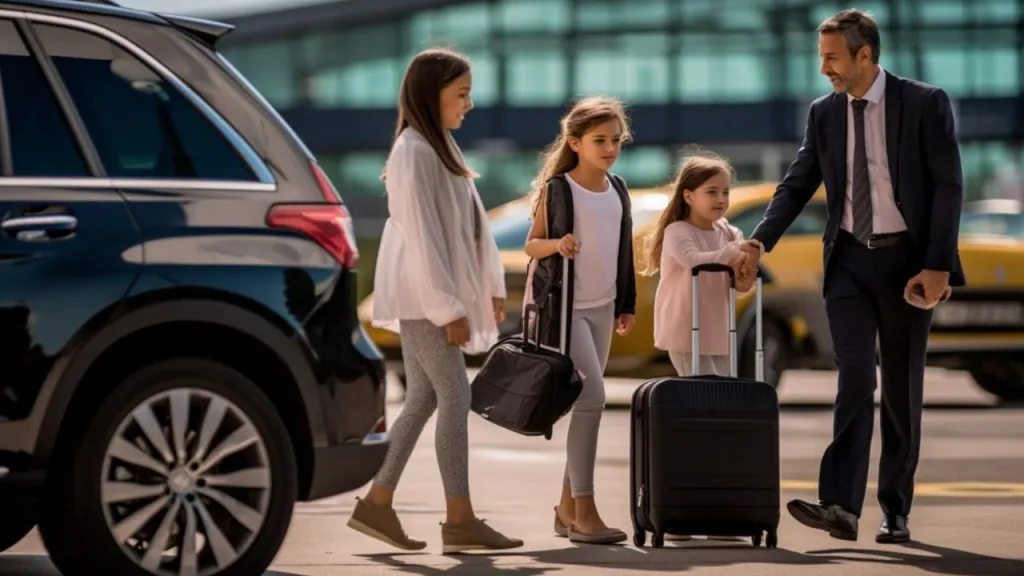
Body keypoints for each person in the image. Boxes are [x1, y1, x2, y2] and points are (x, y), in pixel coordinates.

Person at [743, 9, 965, 544]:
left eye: (831, 57)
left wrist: (936, 265)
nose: (824, 69)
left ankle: (896, 508)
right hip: (847, 262)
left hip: (907, 265)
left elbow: (948, 186)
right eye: (822, 57)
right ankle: (840, 504)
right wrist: (758, 241)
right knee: (855, 377)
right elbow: (796, 184)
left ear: (865, 55)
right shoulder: (824, 114)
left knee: (900, 388)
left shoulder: (923, 103)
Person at [347, 47, 523, 555]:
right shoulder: (415, 151)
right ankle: (459, 518)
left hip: (429, 296)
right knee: (456, 396)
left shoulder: (438, 145)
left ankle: (377, 504)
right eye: (461, 94)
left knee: (425, 397)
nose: (469, 104)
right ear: (432, 94)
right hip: (424, 299)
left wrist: (489, 286)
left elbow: (472, 226)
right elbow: (424, 238)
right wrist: (448, 308)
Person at [524, 96, 637, 545]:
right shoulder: (560, 190)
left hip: (604, 308)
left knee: (586, 409)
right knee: (591, 400)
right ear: (574, 142)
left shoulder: (619, 188)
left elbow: (623, 250)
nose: (610, 148)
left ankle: (567, 509)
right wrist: (558, 244)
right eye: (599, 140)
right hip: (566, 309)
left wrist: (626, 303)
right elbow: (532, 245)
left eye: (616, 140)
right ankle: (585, 511)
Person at [638, 153, 756, 542]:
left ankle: (717, 505)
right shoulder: (678, 232)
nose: (720, 199)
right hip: (685, 327)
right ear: (688, 195)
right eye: (711, 192)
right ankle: (684, 505)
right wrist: (734, 254)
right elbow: (693, 262)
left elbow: (740, 281)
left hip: (718, 328)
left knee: (720, 413)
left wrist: (745, 266)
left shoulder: (727, 230)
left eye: (725, 191)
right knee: (697, 407)